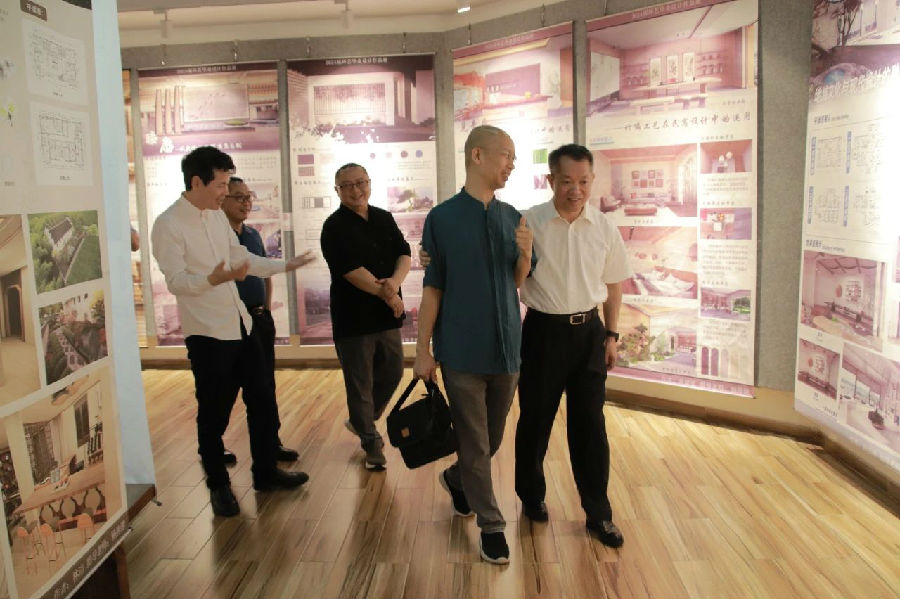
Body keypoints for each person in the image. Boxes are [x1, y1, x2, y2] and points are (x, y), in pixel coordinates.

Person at [151, 146, 314, 518]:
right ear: (197, 182)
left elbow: (242, 258)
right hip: (208, 334)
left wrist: (284, 265)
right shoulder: (168, 224)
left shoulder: (215, 218)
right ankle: (218, 485)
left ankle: (266, 473)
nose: (226, 192)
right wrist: (214, 279)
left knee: (262, 400)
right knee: (214, 413)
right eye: (222, 185)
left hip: (242, 325)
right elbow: (176, 281)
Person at [413, 125, 534, 565]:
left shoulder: (514, 218)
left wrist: (525, 253)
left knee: (491, 439)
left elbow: (516, 281)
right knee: (476, 443)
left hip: (507, 350)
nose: (512, 165)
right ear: (478, 156)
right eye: (506, 155)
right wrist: (422, 350)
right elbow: (433, 289)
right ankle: (492, 525)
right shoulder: (442, 219)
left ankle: (457, 479)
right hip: (461, 350)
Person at [514, 143, 632, 548]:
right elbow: (510, 277)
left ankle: (599, 513)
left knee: (590, 427)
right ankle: (531, 496)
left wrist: (612, 335)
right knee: (535, 421)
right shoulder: (529, 223)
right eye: (567, 181)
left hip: (589, 335)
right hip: (542, 333)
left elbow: (613, 285)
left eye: (584, 181)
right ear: (551, 180)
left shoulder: (604, 227)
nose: (576, 190)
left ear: (592, 181)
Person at [321, 163, 410, 471]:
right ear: (337, 191)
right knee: (360, 383)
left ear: (369, 183)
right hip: (354, 319)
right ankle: (372, 444)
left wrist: (394, 283)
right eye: (347, 185)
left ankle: (362, 420)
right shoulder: (333, 227)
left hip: (385, 315)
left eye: (361, 182)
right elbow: (351, 271)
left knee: (394, 370)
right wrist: (389, 294)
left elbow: (404, 253)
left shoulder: (383, 217)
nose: (356, 190)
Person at [219, 176, 300, 465]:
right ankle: (213, 447)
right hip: (228, 323)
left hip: (258, 319)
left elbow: (265, 272)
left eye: (248, 196)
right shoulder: (216, 237)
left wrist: (265, 310)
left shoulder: (252, 235)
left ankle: (270, 443)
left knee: (265, 386)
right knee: (224, 388)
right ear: (222, 200)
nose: (246, 203)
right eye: (239, 197)